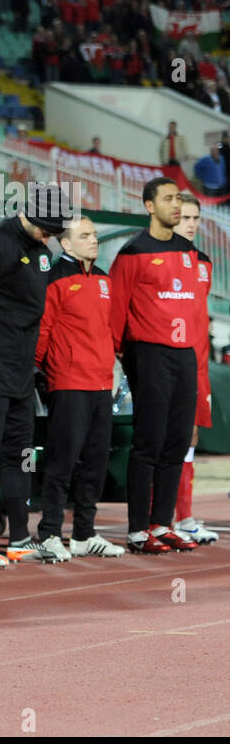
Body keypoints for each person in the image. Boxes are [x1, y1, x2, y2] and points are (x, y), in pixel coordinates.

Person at [0, 185, 68, 566]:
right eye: (47, 227)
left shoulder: (42, 250)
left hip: (23, 372)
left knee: (22, 453)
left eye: (55, 230)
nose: (50, 236)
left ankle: (20, 536)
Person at [109, 177, 201, 554]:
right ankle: (136, 530)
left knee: (177, 440)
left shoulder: (188, 250)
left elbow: (193, 306)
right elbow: (116, 308)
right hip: (148, 353)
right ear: (149, 206)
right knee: (149, 441)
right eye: (167, 199)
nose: (175, 205)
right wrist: (117, 353)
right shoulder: (133, 252)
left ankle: (163, 524)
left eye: (178, 199)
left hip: (185, 353)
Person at [34, 216, 127, 558]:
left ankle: (85, 533)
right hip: (69, 382)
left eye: (94, 235)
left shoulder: (104, 280)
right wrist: (45, 369)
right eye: (84, 236)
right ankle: (49, 532)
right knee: (62, 460)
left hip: (101, 383)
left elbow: (108, 330)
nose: (93, 240)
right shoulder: (54, 278)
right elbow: (42, 331)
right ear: (66, 244)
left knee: (95, 462)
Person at [171, 193, 219, 544]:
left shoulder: (204, 263)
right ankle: (155, 520)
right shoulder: (156, 255)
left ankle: (184, 517)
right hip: (166, 362)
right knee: (162, 440)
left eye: (195, 218)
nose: (190, 223)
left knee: (191, 437)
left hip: (198, 363)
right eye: (184, 217)